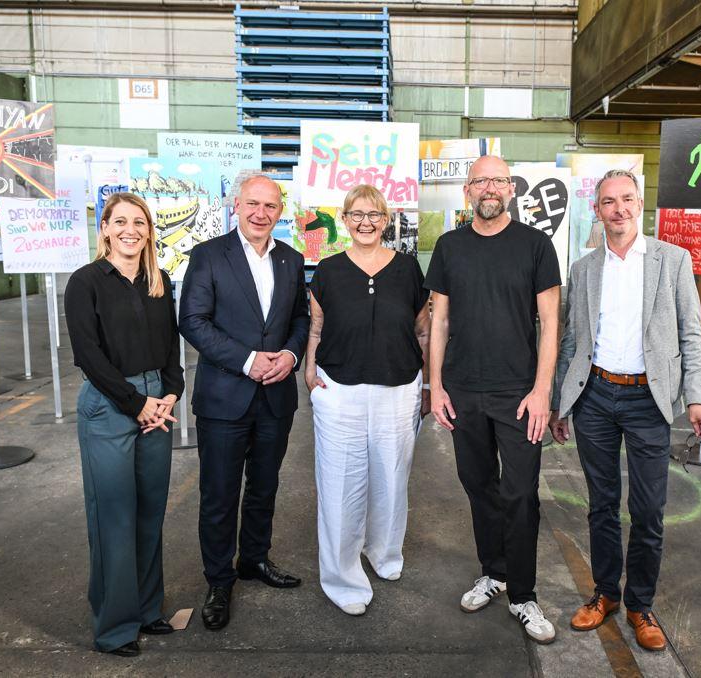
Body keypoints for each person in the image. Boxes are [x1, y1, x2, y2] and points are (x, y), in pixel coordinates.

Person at [549, 169, 701, 651]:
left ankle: (641, 605)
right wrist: (563, 401)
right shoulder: (583, 269)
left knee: (647, 510)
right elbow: (571, 342)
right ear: (597, 210)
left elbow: (691, 335)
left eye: (626, 199)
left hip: (650, 400)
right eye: (608, 202)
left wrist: (699, 396)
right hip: (596, 397)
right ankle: (605, 594)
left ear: (639, 204)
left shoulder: (672, 260)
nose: (618, 209)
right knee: (602, 504)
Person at [425, 155, 561, 645]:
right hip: (463, 390)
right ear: (467, 190)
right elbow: (438, 323)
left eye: (498, 180)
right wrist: (435, 385)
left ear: (510, 188)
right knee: (478, 485)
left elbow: (550, 323)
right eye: (480, 181)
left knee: (521, 493)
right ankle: (494, 572)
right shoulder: (448, 246)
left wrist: (542, 389)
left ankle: (523, 595)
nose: (489, 188)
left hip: (519, 393)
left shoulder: (535, 245)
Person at [179, 174, 309, 631]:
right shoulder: (209, 255)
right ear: (236, 205)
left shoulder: (292, 259)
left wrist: (291, 355)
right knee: (219, 494)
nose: (261, 213)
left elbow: (300, 317)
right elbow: (192, 321)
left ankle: (254, 558)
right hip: (224, 398)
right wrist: (248, 360)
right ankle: (219, 580)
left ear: (280, 211)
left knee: (265, 485)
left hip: (276, 396)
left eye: (270, 206)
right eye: (252, 204)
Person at [64, 192, 184, 657]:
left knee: (151, 512)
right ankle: (115, 627)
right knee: (113, 517)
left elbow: (172, 345)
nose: (130, 229)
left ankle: (148, 610)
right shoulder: (86, 281)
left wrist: (170, 393)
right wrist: (137, 404)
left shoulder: (159, 281)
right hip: (110, 404)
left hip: (157, 403)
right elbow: (87, 355)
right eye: (120, 222)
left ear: (149, 231)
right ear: (105, 229)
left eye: (140, 222)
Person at [304, 184, 431, 616]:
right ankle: (342, 578)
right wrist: (308, 369)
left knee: (392, 479)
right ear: (344, 219)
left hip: (399, 388)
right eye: (357, 214)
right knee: (341, 484)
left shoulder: (409, 269)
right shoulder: (329, 269)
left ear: (386, 220)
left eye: (374, 214)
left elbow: (422, 328)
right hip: (339, 390)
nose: (365, 222)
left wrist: (429, 382)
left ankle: (384, 553)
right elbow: (316, 328)